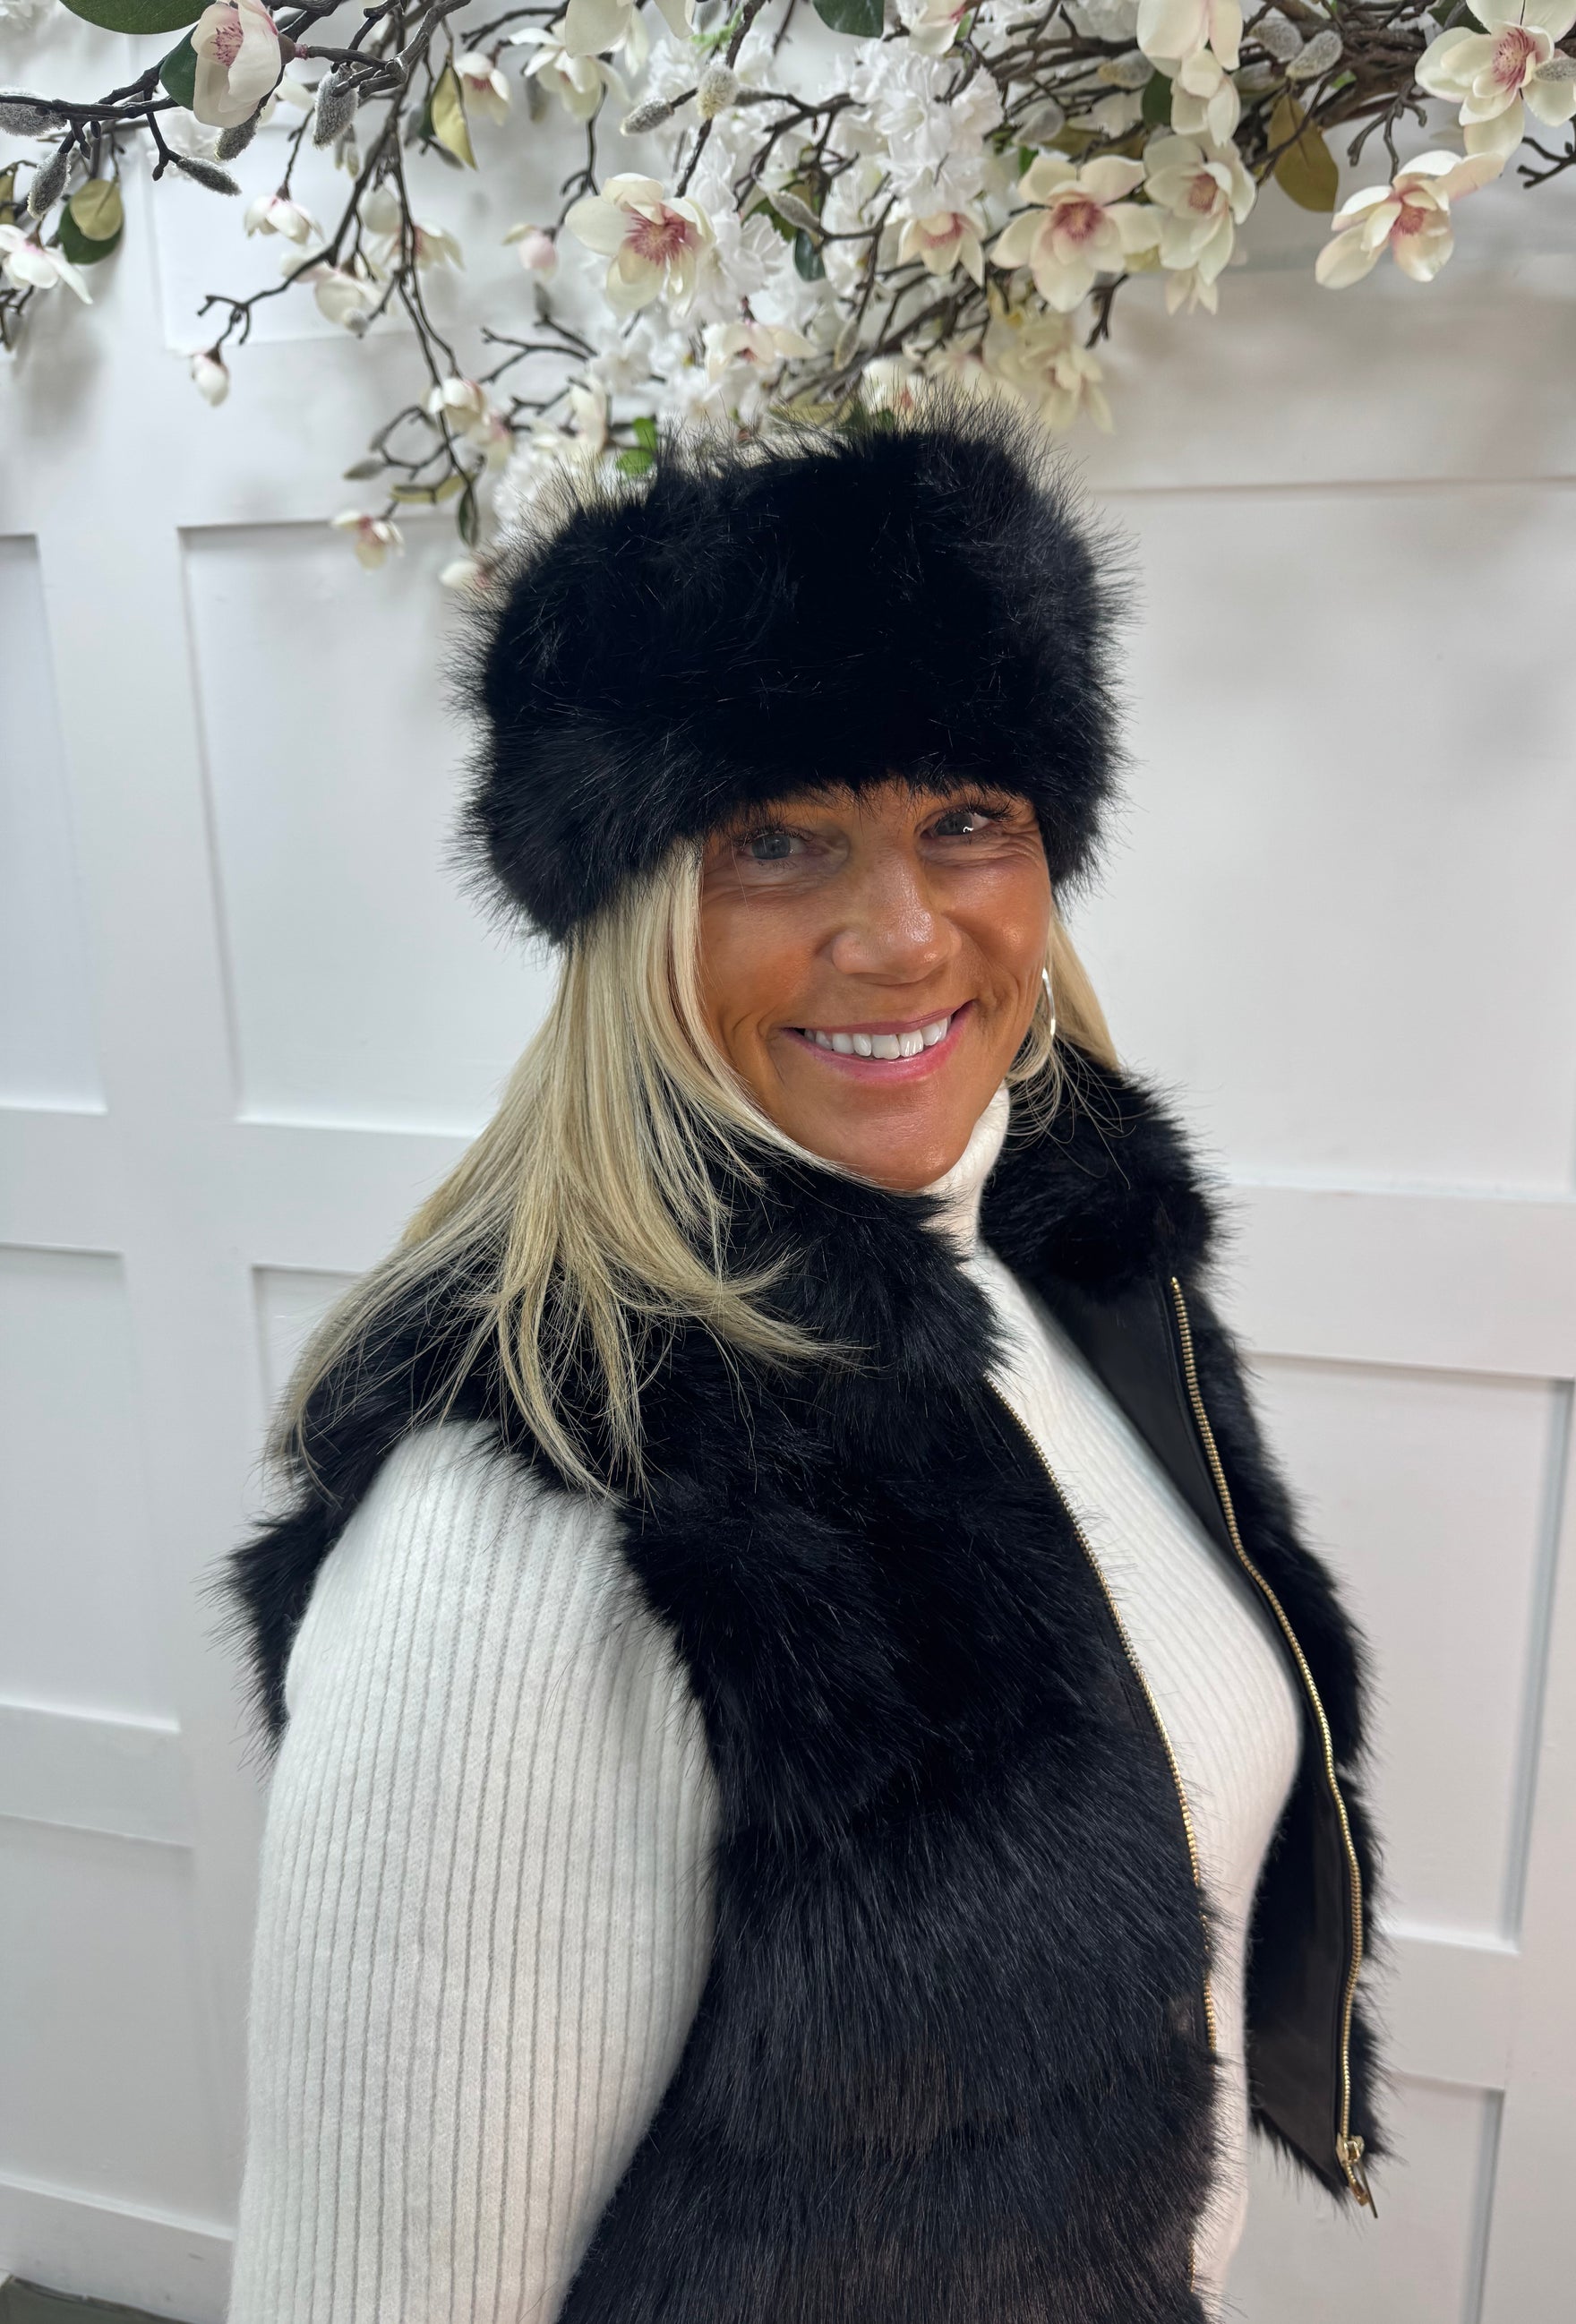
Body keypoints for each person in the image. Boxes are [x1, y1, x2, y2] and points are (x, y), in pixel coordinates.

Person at [218, 390, 1385, 2324]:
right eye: (779, 841)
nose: (902, 935)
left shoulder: (1065, 1274)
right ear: (630, 908)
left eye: (964, 821)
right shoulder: (536, 1513)